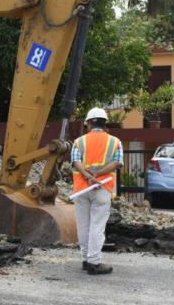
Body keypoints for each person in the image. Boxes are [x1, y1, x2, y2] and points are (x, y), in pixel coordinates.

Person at [71, 107, 123, 275]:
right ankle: (94, 262)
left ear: (89, 123)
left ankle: (86, 259)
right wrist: (98, 174)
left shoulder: (79, 141)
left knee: (83, 225)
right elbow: (117, 163)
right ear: (104, 123)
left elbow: (75, 161)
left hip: (81, 188)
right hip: (103, 187)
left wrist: (87, 175)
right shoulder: (115, 142)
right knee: (97, 226)